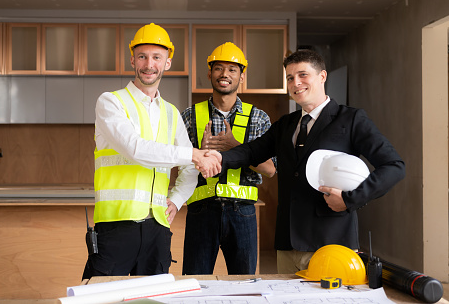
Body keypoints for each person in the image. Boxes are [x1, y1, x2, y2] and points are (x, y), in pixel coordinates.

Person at [207, 49, 405, 274]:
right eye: (290, 78)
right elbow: (252, 151)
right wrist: (218, 157)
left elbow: (394, 166)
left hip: (330, 242)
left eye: (303, 75)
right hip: (287, 244)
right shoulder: (286, 124)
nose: (295, 83)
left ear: (322, 76)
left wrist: (351, 199)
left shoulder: (350, 119)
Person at [82, 23, 220, 279]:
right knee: (102, 297)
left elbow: (190, 170)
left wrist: (177, 201)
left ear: (167, 63)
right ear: (132, 59)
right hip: (116, 226)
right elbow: (136, 149)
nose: (149, 64)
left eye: (157, 57)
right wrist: (193, 154)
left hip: (158, 228)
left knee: (154, 298)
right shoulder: (111, 102)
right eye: (143, 56)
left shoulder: (171, 113)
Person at [181, 42, 276, 275]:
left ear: (241, 77)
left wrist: (237, 148)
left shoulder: (259, 118)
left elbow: (271, 169)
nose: (225, 74)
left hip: (242, 213)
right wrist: (198, 155)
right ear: (209, 74)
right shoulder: (190, 115)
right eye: (219, 68)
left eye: (232, 69)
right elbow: (177, 164)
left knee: (244, 286)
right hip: (201, 212)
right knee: (195, 284)